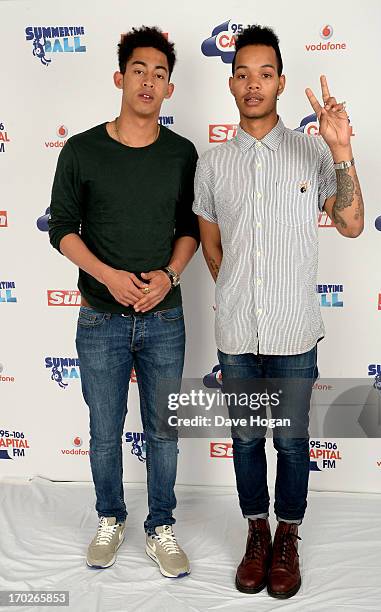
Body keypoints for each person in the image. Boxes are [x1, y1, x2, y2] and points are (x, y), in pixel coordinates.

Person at [193, 25, 363, 599]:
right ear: (231, 83)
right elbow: (211, 249)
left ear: (281, 82)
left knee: (290, 443)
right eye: (242, 73)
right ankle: (256, 531)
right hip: (237, 331)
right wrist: (243, 292)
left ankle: (288, 535)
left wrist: (341, 152)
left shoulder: (312, 152)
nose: (253, 83)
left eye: (265, 73)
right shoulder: (213, 164)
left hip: (295, 331)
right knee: (245, 441)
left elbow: (352, 222)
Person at [49, 26, 199, 579]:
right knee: (106, 427)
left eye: (160, 73)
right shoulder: (82, 150)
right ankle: (110, 516)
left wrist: (171, 274)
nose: (149, 81)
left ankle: (161, 525)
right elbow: (62, 228)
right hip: (100, 319)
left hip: (164, 318)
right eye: (139, 70)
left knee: (163, 429)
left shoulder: (182, 154)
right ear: (120, 77)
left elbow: (189, 228)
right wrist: (109, 276)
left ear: (169, 89)